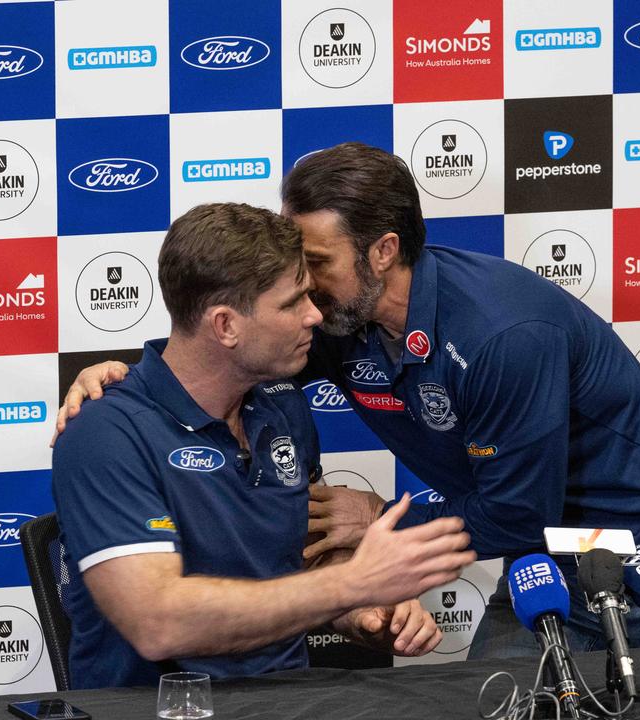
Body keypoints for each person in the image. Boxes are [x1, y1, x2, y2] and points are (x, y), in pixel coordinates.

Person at [56, 144, 640, 659]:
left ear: (382, 251)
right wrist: (122, 376)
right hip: (556, 554)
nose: (302, 289)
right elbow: (223, 345)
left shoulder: (502, 333)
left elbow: (518, 515)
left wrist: (382, 520)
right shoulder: (333, 322)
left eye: (315, 267)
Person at [51, 202, 476, 688]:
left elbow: (309, 551)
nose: (316, 316)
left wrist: (365, 608)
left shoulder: (281, 404)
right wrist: (351, 583)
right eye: (293, 302)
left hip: (284, 700)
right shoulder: (105, 434)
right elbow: (158, 623)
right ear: (226, 326)